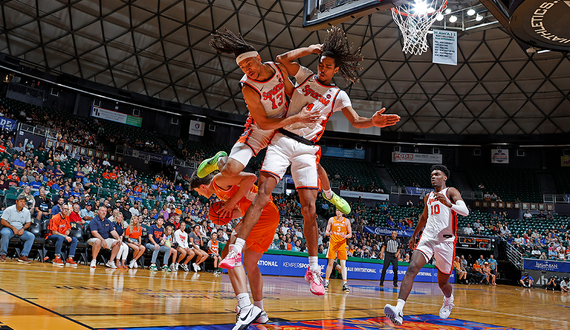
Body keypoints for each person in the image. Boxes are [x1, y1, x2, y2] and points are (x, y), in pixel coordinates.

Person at [219, 27, 400, 296]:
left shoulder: (339, 95)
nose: (322, 69)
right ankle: (235, 250)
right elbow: (282, 58)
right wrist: (312, 49)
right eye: (321, 64)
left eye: (328, 66)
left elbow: (356, 121)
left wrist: (371, 122)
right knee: (263, 197)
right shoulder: (304, 76)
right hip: (281, 140)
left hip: (307, 150)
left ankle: (313, 269)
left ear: (336, 69)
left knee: (310, 210)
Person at [198, 29, 351, 215]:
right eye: (243, 68)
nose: (248, 70)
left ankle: (329, 195)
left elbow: (291, 91)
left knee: (316, 166)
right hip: (260, 130)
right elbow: (263, 123)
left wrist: (309, 98)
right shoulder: (248, 87)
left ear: (258, 58)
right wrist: (297, 117)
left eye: (249, 64)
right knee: (231, 169)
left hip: (286, 128)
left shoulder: (277, 69)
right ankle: (219, 160)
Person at [190, 170, 280, 329]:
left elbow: (251, 177)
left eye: (197, 191)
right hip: (269, 214)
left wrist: (231, 203)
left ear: (203, 186)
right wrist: (228, 213)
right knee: (250, 263)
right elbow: (244, 207)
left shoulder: (218, 181)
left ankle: (246, 307)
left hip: (261, 215)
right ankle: (260, 310)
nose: (200, 195)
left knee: (229, 252)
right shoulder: (221, 192)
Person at [384, 165, 469, 325]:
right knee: (412, 269)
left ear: (445, 177)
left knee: (443, 283)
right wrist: (414, 235)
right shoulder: (428, 196)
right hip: (428, 238)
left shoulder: (451, 191)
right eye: (431, 174)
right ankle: (398, 310)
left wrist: (449, 204)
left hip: (446, 242)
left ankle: (448, 299)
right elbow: (424, 217)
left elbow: (465, 211)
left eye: (437, 174)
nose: (433, 176)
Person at [0, 194, 35, 263]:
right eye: (21, 201)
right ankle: (3, 254)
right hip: (9, 228)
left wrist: (23, 228)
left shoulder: (26, 211)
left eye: (24, 202)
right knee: (5, 233)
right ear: (16, 201)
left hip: (20, 229)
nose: (22, 203)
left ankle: (23, 256)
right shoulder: (9, 209)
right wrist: (13, 228)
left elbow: (28, 223)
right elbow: (2, 221)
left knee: (31, 236)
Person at [324, 208, 352, 292]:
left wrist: (346, 236)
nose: (338, 212)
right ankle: (326, 282)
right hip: (333, 243)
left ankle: (345, 284)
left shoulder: (346, 221)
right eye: (337, 210)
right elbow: (326, 232)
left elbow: (350, 234)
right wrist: (328, 233)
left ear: (343, 212)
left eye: (340, 210)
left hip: (342, 244)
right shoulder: (331, 219)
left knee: (343, 264)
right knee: (330, 263)